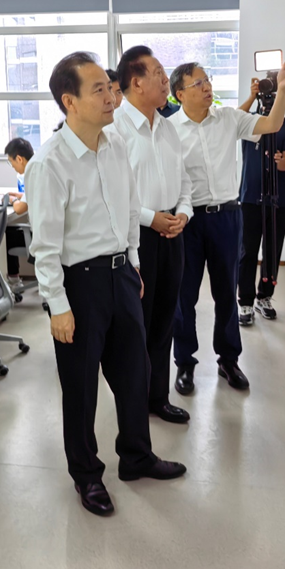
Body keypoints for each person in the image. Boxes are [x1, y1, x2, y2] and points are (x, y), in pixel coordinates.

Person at [26, 51, 186, 517]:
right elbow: (45, 246)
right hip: (79, 285)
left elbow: (130, 209)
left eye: (110, 87)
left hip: (120, 275)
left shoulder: (115, 146)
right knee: (81, 389)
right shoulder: (49, 163)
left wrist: (133, 264)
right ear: (69, 101)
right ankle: (87, 475)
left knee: (135, 374)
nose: (111, 96)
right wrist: (57, 305)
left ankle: (136, 456)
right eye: (98, 89)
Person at [169, 57, 285, 396]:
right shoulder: (169, 131)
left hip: (227, 217)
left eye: (208, 80)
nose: (207, 87)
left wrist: (283, 90)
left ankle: (228, 359)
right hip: (187, 220)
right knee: (184, 297)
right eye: (199, 83)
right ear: (179, 94)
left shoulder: (228, 118)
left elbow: (272, 124)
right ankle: (184, 363)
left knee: (226, 294)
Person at [106, 46, 192, 425]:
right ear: (136, 83)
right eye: (158, 72)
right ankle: (135, 406)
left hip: (172, 233)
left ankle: (158, 397)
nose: (165, 79)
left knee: (164, 321)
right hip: (136, 239)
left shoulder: (168, 126)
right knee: (136, 327)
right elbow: (113, 194)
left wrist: (183, 213)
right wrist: (151, 219)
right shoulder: (114, 131)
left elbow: (184, 181)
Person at [236, 85, 285, 325]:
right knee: (248, 251)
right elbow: (230, 121)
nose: (269, 100)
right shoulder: (249, 122)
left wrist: (280, 161)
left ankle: (264, 297)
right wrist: (251, 96)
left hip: (278, 200)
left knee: (272, 250)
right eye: (266, 95)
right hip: (250, 198)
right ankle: (245, 301)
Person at [3, 137, 33, 286]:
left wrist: (13, 200)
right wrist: (20, 195)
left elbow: (20, 209)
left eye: (11, 162)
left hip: (36, 237)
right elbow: (33, 194)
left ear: (19, 159)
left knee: (6, 233)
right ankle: (14, 277)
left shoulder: (31, 174)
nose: (13, 167)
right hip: (48, 231)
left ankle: (13, 279)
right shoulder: (38, 168)